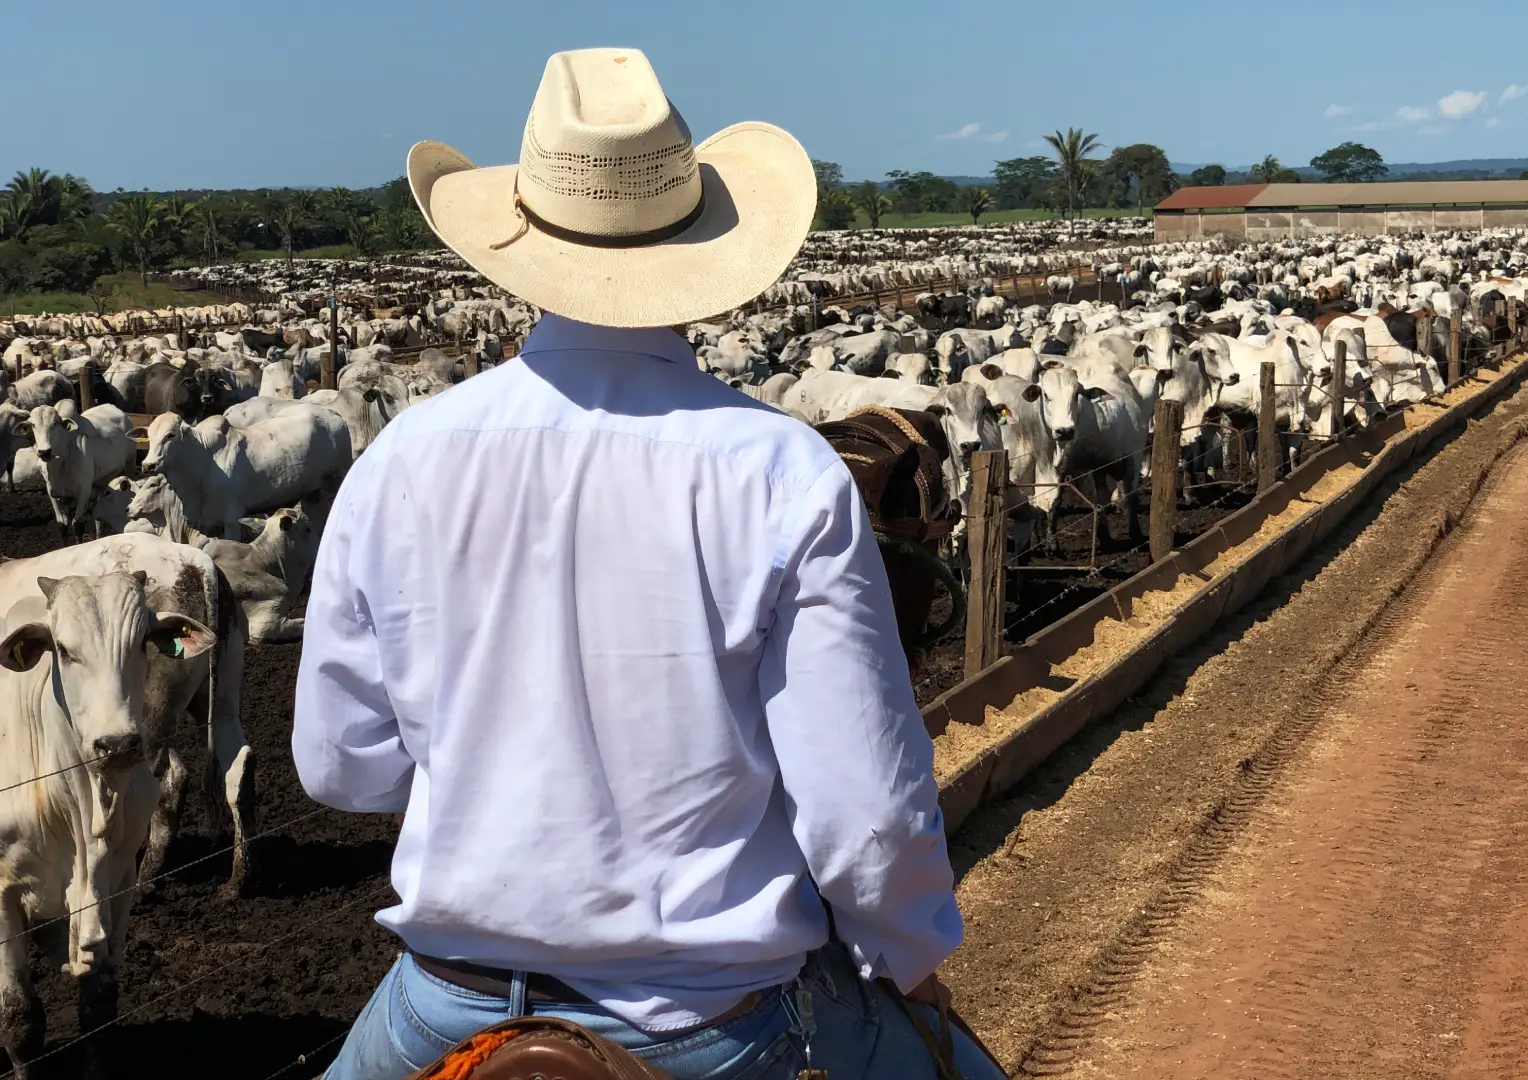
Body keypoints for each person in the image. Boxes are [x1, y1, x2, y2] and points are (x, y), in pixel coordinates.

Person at [294, 47, 1004, 1080]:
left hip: (447, 1001)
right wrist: (911, 954)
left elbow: (340, 767)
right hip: (714, 1017)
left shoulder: (399, 459)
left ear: (522, 234)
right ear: (698, 245)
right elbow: (866, 817)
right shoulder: (782, 473)